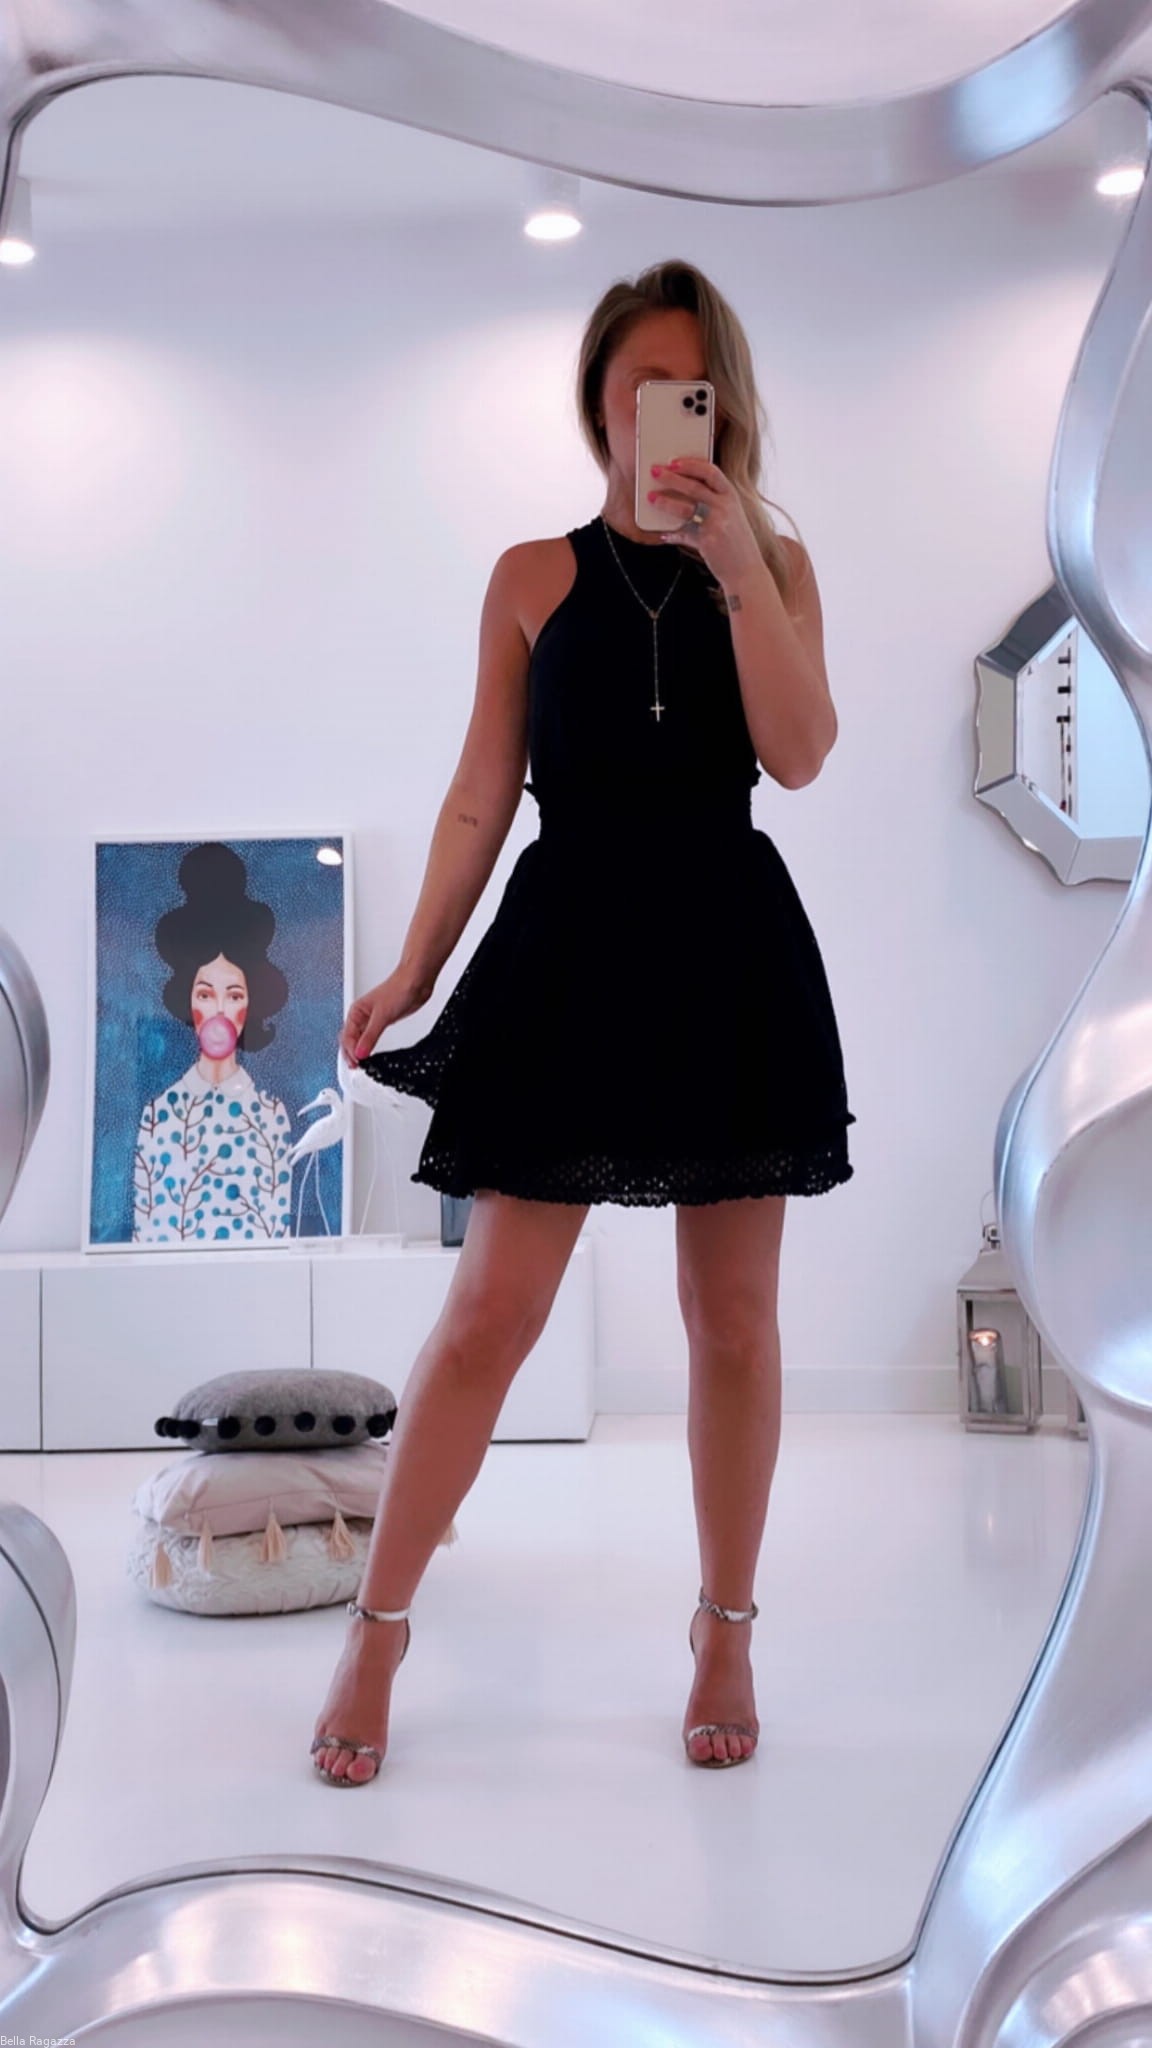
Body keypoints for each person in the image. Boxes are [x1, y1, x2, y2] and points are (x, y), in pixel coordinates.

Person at [310, 257, 855, 1785]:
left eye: (688, 388)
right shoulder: (528, 578)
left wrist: (738, 564)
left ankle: (725, 1627)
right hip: (566, 956)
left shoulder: (776, 563)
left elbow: (802, 753)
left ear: (723, 405)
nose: (660, 412)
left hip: (727, 953)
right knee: (491, 1312)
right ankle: (378, 1627)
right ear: (599, 403)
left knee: (732, 1324)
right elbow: (480, 794)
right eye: (636, 387)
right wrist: (414, 966)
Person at [132, 842, 294, 1244]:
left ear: (250, 1005)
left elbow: (279, 1237)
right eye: (206, 994)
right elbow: (144, 1241)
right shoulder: (159, 1117)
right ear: (187, 1000)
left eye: (234, 995)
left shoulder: (271, 1117)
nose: (220, 1009)